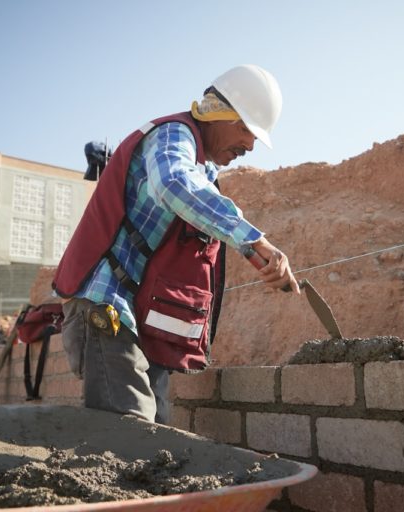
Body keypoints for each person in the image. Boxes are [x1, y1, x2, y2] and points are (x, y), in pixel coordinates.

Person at [53, 64, 299, 424]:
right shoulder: (173, 135)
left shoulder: (204, 169)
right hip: (108, 301)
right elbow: (174, 183)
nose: (250, 146)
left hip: (141, 314)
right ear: (219, 115)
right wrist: (254, 240)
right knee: (130, 426)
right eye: (246, 130)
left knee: (158, 425)